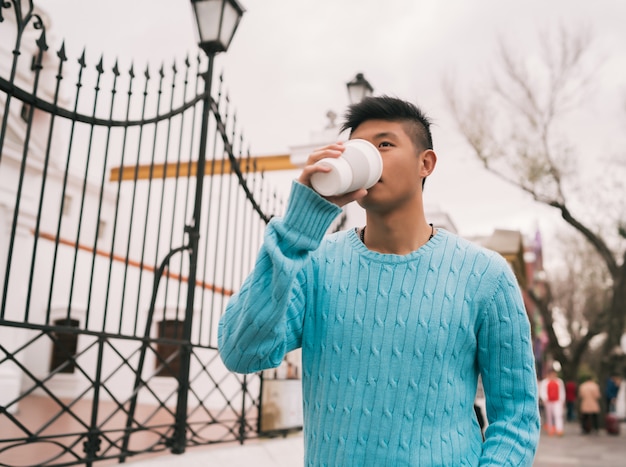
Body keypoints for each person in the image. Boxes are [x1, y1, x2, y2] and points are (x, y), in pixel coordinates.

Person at [218, 96, 540, 466]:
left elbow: (516, 418)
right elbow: (242, 352)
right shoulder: (314, 265)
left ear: (426, 163)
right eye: (358, 148)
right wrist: (295, 227)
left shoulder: (487, 275)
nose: (368, 157)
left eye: (384, 144)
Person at [539, 369, 566, 436]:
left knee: (558, 415)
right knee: (549, 416)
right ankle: (550, 429)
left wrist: (562, 400)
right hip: (548, 401)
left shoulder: (559, 381)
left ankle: (559, 429)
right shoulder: (545, 382)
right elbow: (542, 391)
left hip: (557, 401)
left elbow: (562, 391)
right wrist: (544, 399)